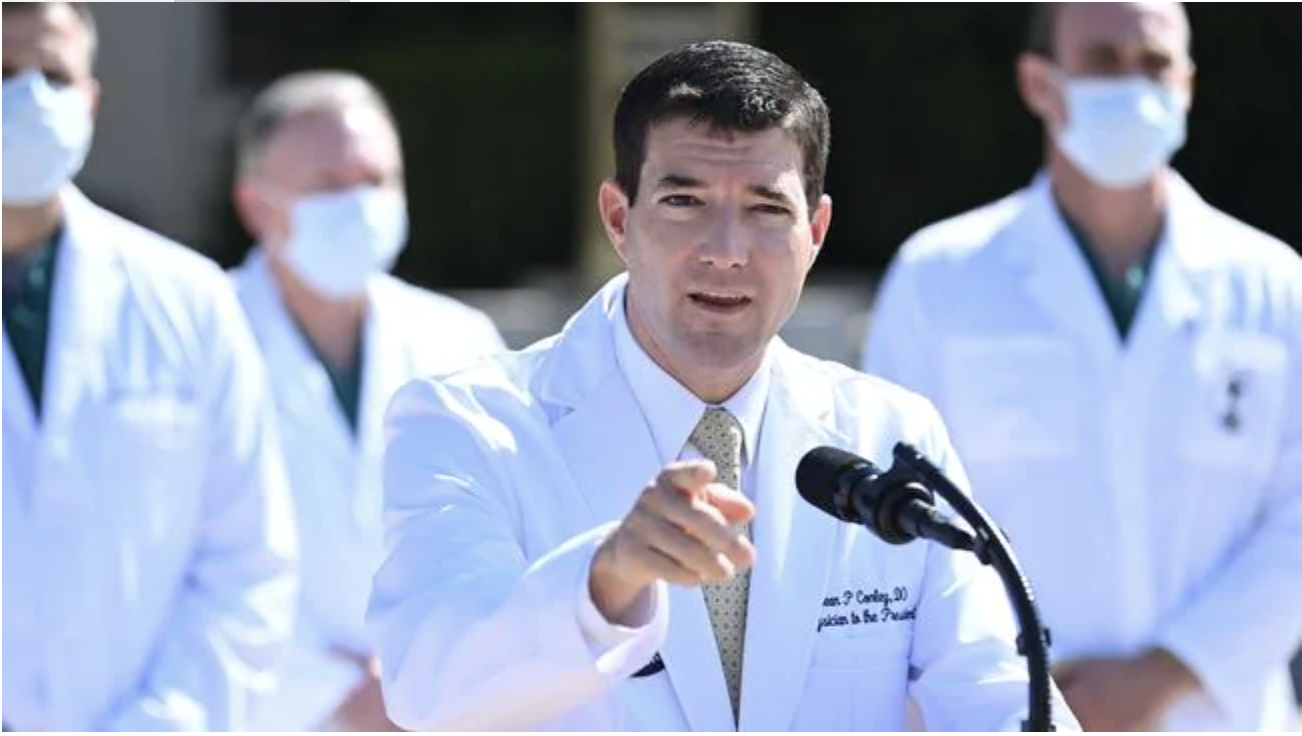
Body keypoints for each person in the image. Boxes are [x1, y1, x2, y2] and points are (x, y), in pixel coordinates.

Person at [365, 39, 1079, 732]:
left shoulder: (888, 434)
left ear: (816, 231)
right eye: (685, 203)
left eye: (768, 210)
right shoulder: (468, 422)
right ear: (620, 219)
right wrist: (604, 582)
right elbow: (427, 687)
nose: (727, 252)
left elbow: (998, 690)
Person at [861, 2, 1302, 731]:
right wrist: (1026, 682)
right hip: (1000, 714)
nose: (1133, 84)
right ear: (1039, 84)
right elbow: (900, 522)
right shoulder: (939, 278)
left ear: (1188, 84)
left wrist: (1168, 674)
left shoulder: (1274, 284)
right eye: (1102, 59)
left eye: (1155, 63)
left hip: (1221, 715)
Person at [1, 2, 300, 731]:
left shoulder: (188, 299)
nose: (27, 98)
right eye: (3, 74)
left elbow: (246, 563)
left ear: (90, 100)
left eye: (53, 74)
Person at [227, 70, 507, 731]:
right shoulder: (198, 336)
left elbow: (501, 529)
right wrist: (327, 691)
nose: (359, 204)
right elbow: (173, 547)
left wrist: (420, 673)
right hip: (256, 709)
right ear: (256, 205)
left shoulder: (461, 339)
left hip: (438, 705)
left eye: (377, 181)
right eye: (329, 186)